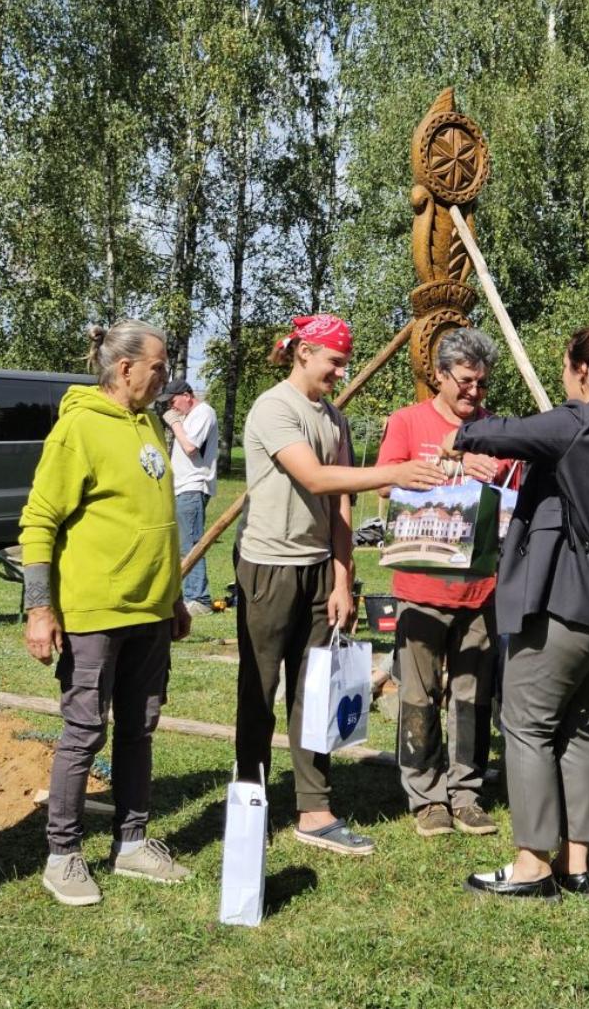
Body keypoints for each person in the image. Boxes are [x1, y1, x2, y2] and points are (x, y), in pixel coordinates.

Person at [443, 324, 589, 901]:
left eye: (565, 366)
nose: (563, 376)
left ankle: (533, 863)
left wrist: (461, 435)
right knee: (579, 726)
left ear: (582, 372)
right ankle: (577, 863)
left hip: (571, 603)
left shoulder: (577, 422)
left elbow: (501, 433)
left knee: (527, 723)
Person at [235, 314, 443, 855]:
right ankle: (249, 802)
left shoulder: (333, 418)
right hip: (269, 568)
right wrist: (392, 474)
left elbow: (341, 504)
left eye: (344, 362)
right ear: (304, 353)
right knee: (258, 692)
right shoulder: (273, 408)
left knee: (315, 691)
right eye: (334, 361)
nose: (340, 371)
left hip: (318, 570)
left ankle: (314, 809)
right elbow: (316, 478)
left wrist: (343, 578)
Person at [20, 320, 193, 908]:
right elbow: (39, 521)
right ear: (125, 369)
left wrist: (171, 596)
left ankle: (132, 842)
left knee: (139, 728)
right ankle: (63, 854)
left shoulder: (150, 424)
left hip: (149, 611)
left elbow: (159, 515)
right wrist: (40, 607)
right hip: (95, 611)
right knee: (84, 730)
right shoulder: (77, 429)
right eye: (160, 367)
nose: (166, 378)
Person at [375, 328, 516, 839]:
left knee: (472, 696)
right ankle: (426, 796)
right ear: (439, 375)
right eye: (466, 381)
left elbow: (514, 498)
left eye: (482, 383)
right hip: (420, 586)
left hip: (480, 591)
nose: (475, 393)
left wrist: (496, 475)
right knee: (418, 692)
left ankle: (466, 793)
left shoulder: (497, 429)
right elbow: (386, 484)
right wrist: (454, 462)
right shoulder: (407, 422)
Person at [160, 377, 218, 614]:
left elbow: (190, 447)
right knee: (182, 544)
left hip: (194, 486)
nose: (172, 408)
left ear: (187, 395)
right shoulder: (189, 416)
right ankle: (190, 594)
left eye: (173, 401)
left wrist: (175, 424)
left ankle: (199, 599)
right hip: (182, 487)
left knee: (191, 545)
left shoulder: (204, 412)